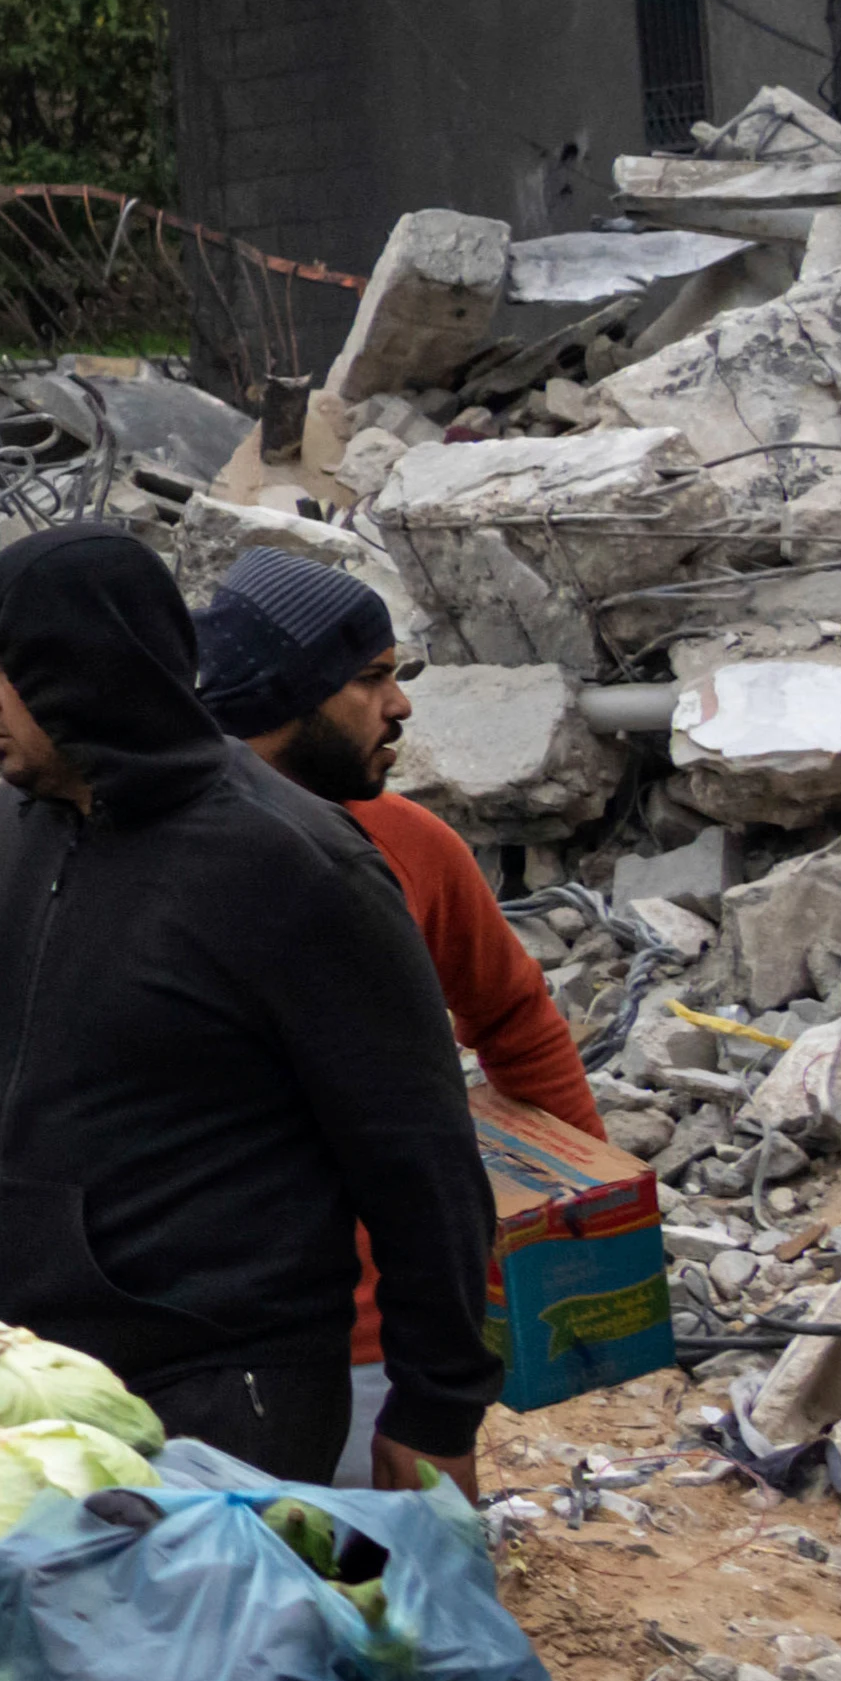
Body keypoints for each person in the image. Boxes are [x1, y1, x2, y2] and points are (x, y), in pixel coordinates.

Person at [0, 525, 501, 1484]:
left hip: (220, 1408)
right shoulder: (8, 839)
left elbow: (419, 1157)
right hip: (21, 1392)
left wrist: (437, 1407)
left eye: (2, 669)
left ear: (86, 669)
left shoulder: (293, 867)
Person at [200, 555, 591, 1475]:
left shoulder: (414, 848)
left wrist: (573, 1212)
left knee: (380, 1595)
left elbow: (516, 1017)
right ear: (286, 694)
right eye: (372, 679)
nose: (401, 706)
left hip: (378, 1353)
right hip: (200, 1346)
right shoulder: (163, 861)